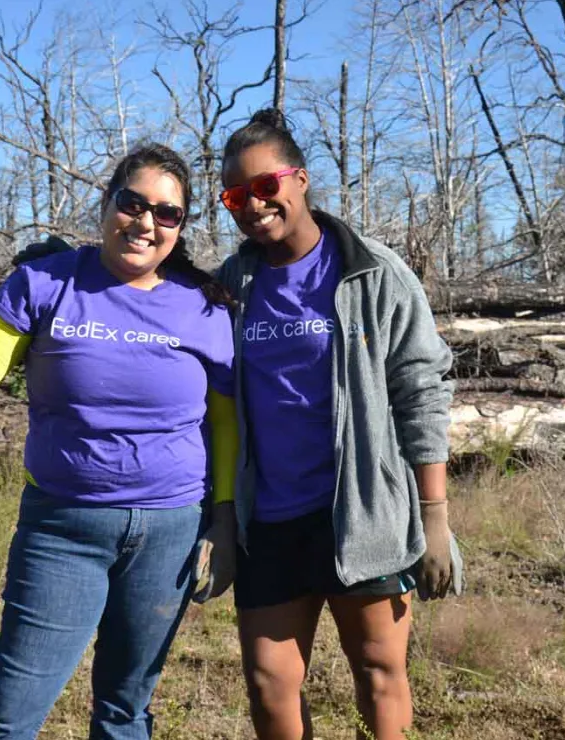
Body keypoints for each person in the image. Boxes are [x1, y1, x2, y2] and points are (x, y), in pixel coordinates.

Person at [0, 143, 239, 740]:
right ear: (106, 204)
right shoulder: (45, 280)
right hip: (63, 530)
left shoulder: (204, 307)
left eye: (167, 214)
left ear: (180, 226)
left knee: (125, 713)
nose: (146, 223)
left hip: (170, 530)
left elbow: (224, 423)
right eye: (133, 203)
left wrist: (222, 517)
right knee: (10, 715)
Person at [194, 108, 461, 740]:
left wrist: (437, 516)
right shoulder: (233, 285)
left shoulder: (372, 272)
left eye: (266, 186)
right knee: (268, 682)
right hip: (272, 519)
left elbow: (421, 391)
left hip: (363, 511)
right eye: (236, 194)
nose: (253, 205)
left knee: (378, 670)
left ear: (301, 179)